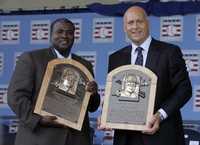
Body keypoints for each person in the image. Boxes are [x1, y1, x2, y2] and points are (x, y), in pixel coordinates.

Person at [106, 6, 192, 145]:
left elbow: (184, 89)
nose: (135, 26)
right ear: (124, 27)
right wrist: (107, 113)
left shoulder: (169, 52)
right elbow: (116, 94)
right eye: (130, 22)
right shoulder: (115, 58)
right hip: (126, 137)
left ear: (148, 23)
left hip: (162, 134)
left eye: (139, 21)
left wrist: (160, 115)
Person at [7, 18, 100, 145]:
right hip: (40, 138)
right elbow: (15, 97)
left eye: (69, 32)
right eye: (60, 32)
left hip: (76, 139)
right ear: (51, 35)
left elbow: (92, 107)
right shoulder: (31, 59)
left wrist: (94, 94)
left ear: (74, 36)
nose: (65, 36)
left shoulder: (84, 65)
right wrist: (38, 120)